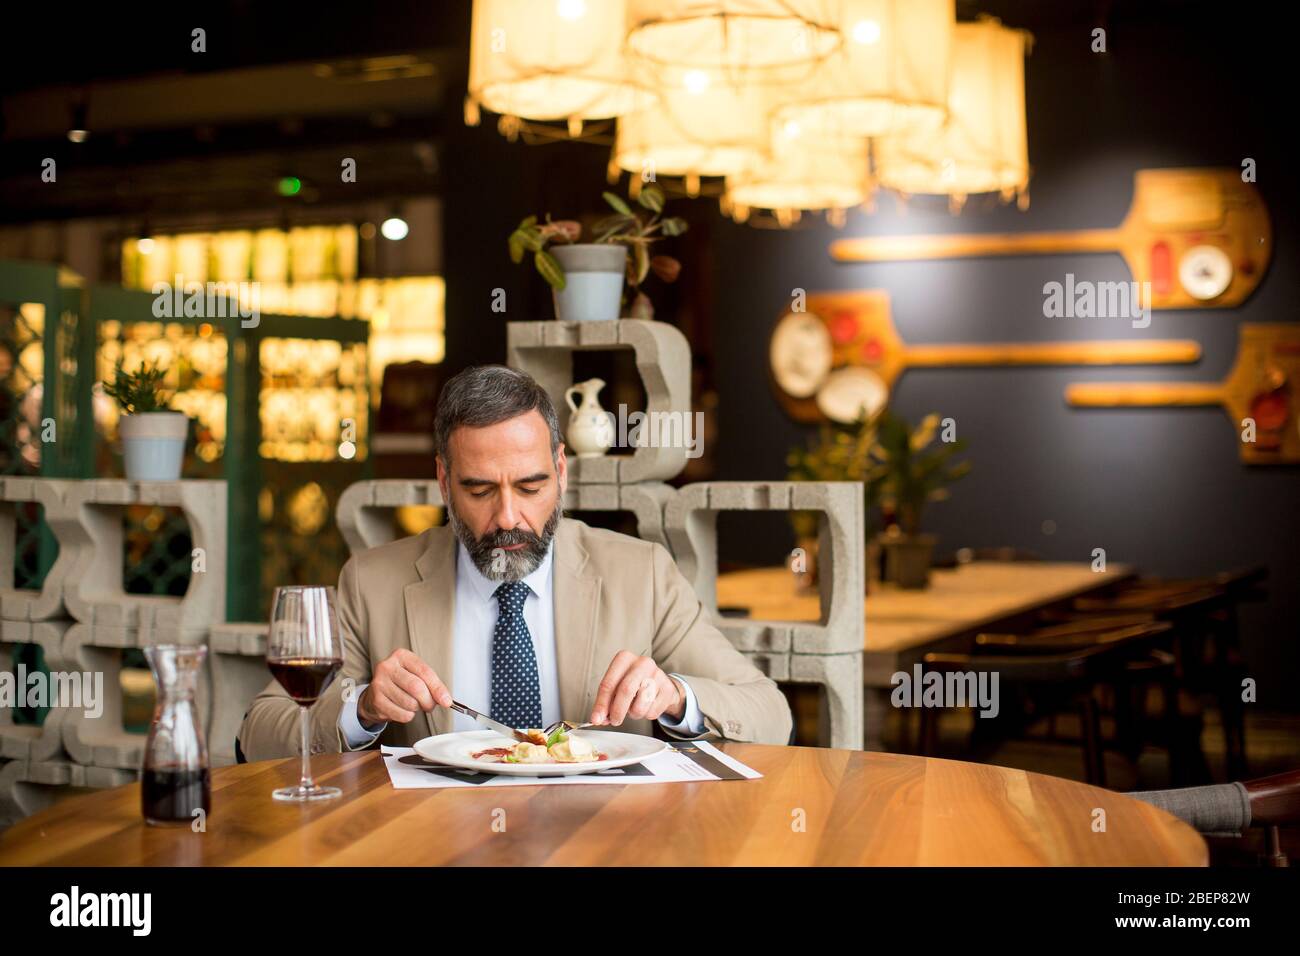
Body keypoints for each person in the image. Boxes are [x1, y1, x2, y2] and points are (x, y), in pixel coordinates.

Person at [238, 365, 792, 760]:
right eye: (479, 490)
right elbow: (258, 734)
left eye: (530, 487)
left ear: (561, 471)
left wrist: (675, 697)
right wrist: (361, 709)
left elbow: (771, 715)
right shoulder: (371, 581)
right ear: (443, 481)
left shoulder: (641, 574)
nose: (507, 517)